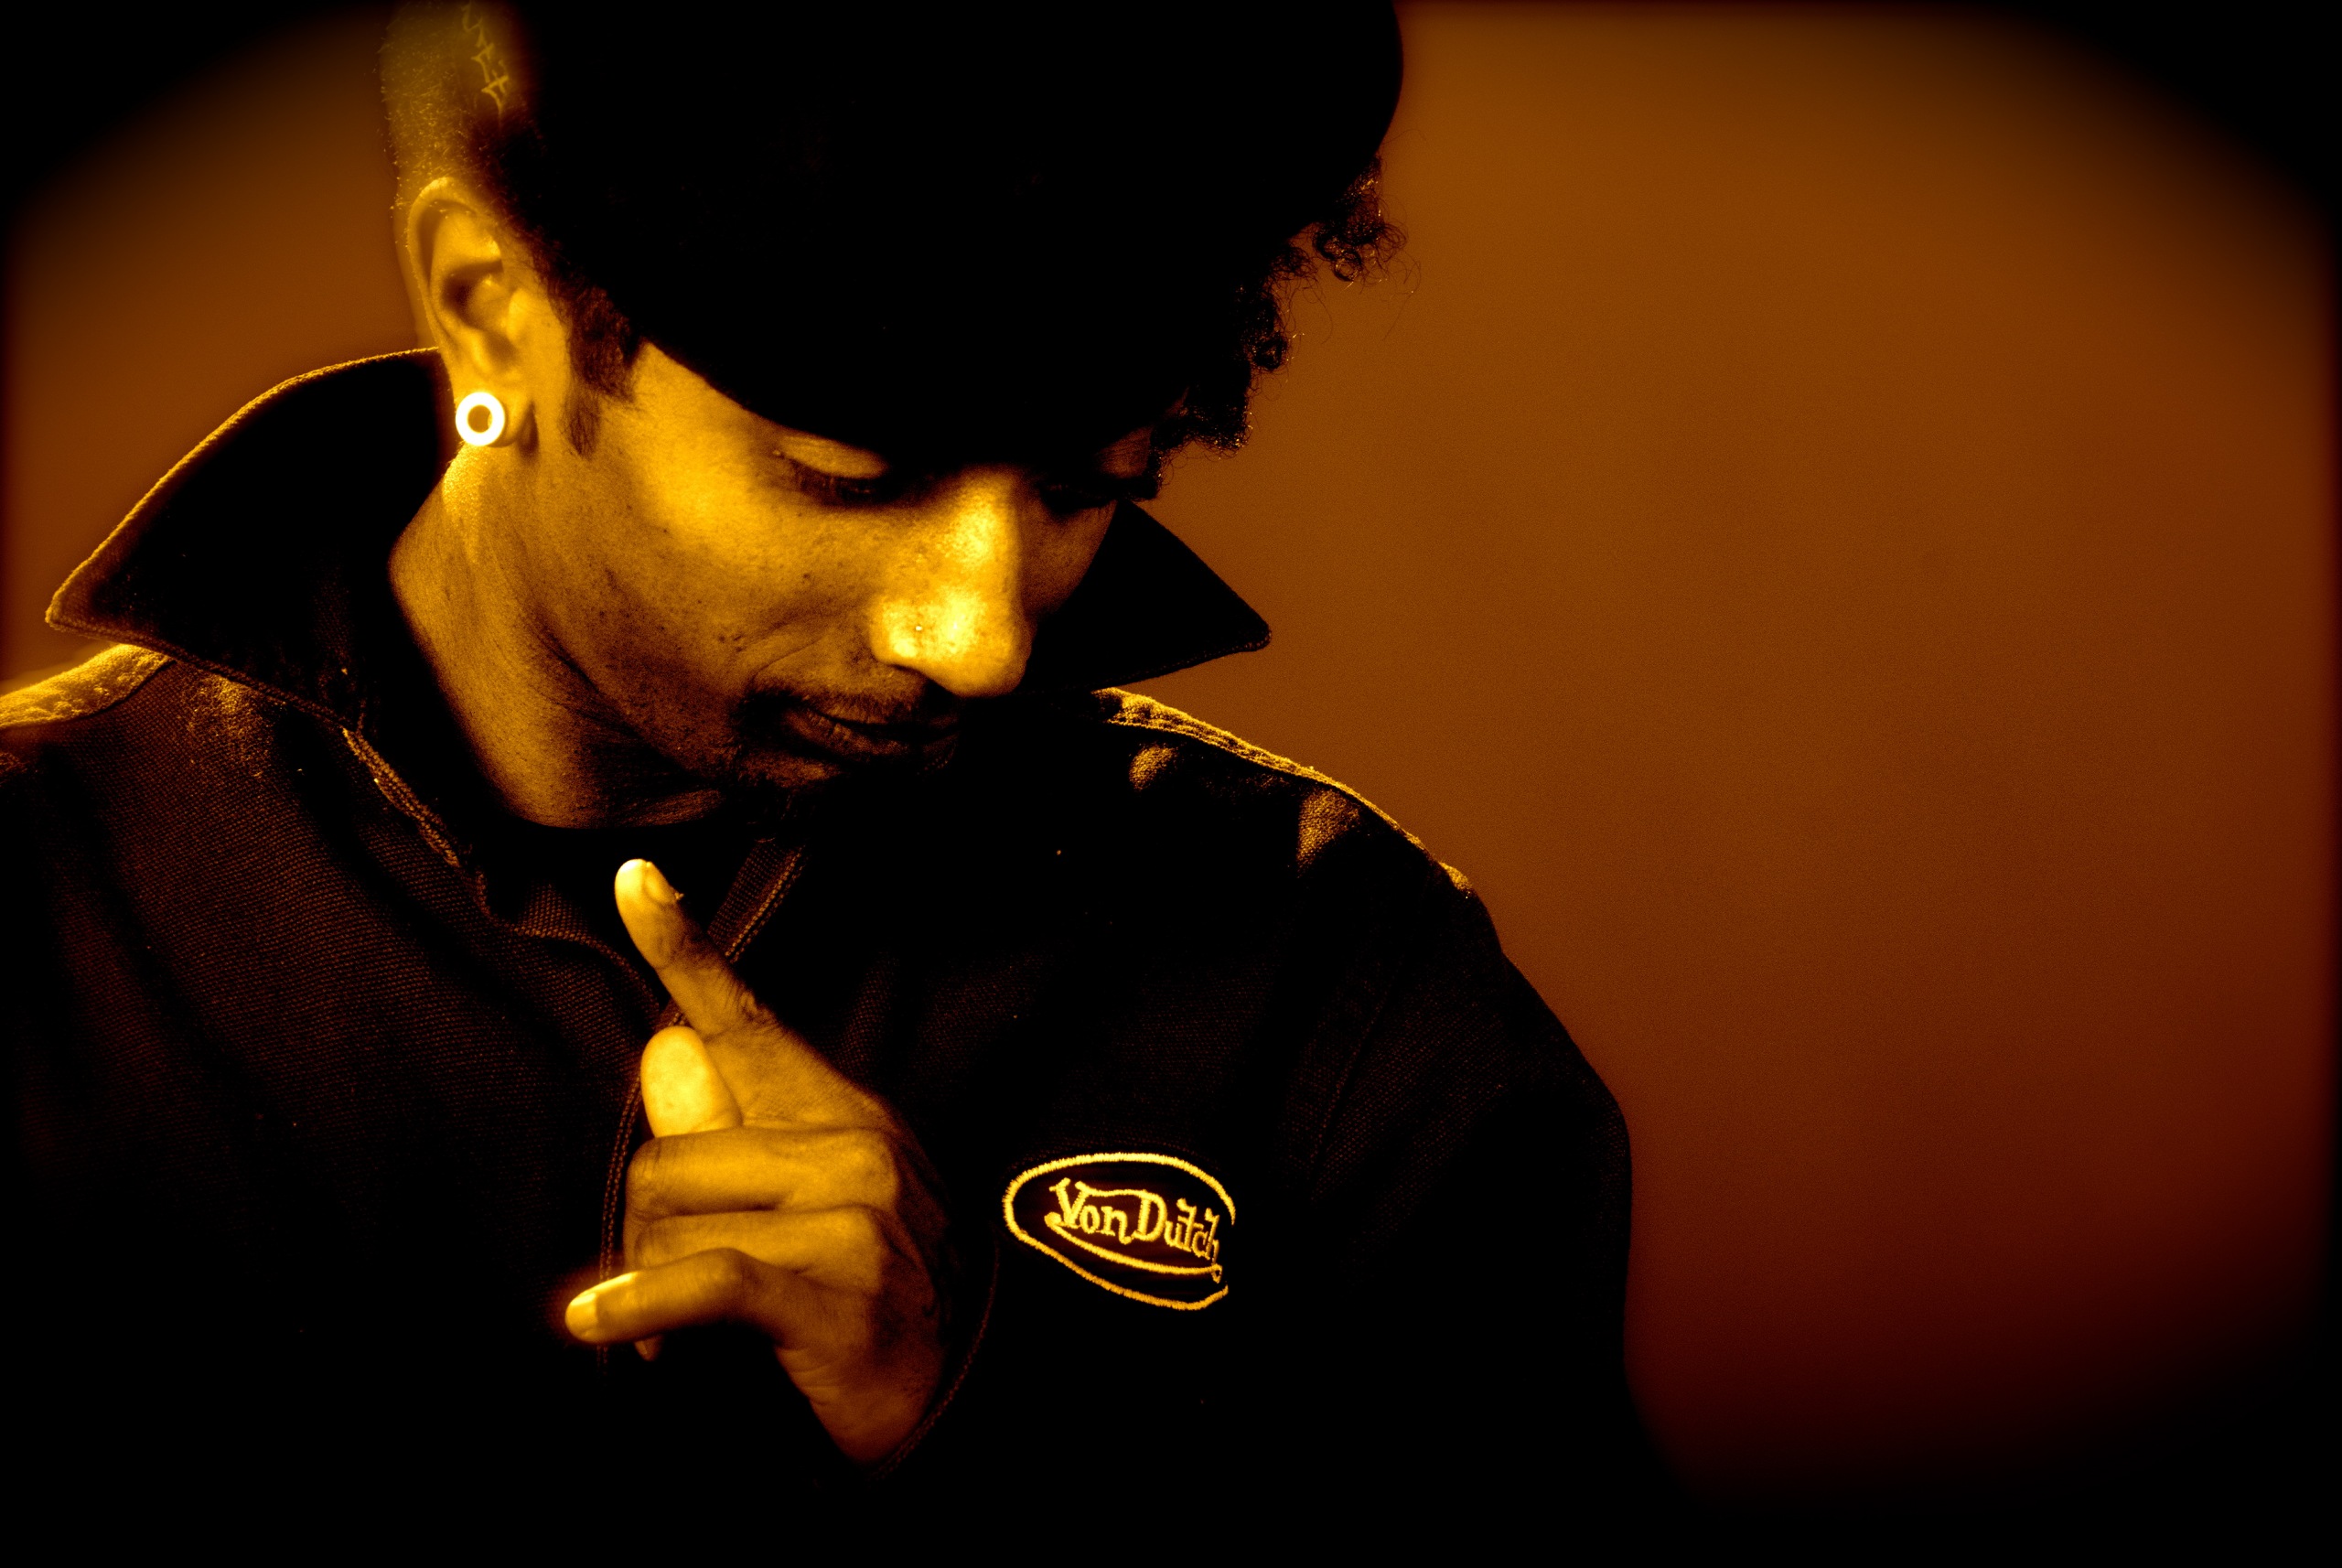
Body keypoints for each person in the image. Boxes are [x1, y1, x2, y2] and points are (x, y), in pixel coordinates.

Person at [4, 0, 1648, 1523]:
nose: (980, 638)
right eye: (855, 479)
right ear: (493, 312)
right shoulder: (40, 907)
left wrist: (983, 1411)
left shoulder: (1340, 988)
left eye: (1092, 486)